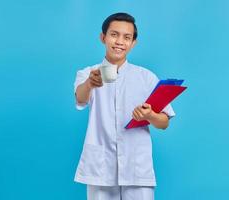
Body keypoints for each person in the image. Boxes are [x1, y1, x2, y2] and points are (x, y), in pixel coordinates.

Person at [73, 12, 175, 200]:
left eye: (127, 37)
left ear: (133, 43)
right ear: (103, 37)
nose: (120, 41)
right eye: (114, 34)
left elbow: (164, 122)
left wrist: (150, 116)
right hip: (100, 168)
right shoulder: (88, 73)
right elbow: (80, 98)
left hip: (137, 168)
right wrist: (89, 84)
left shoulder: (146, 77)